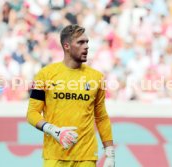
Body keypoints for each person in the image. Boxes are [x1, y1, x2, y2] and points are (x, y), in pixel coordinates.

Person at [26, 24, 115, 167]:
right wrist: (54, 131)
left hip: (86, 157)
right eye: (80, 42)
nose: (86, 46)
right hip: (54, 156)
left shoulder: (97, 78)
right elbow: (32, 113)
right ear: (66, 46)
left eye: (87, 42)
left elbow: (101, 117)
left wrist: (110, 153)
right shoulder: (45, 75)